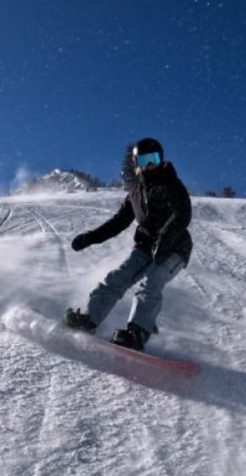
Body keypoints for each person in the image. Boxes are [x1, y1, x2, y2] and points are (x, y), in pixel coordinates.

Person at [64, 138, 193, 351]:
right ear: (137, 163)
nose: (150, 165)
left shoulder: (170, 184)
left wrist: (164, 238)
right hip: (145, 247)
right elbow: (118, 222)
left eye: (154, 159)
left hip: (175, 247)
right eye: (145, 160)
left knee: (152, 282)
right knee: (117, 278)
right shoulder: (135, 192)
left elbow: (183, 214)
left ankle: (138, 332)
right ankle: (89, 319)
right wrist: (90, 237)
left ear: (161, 160)